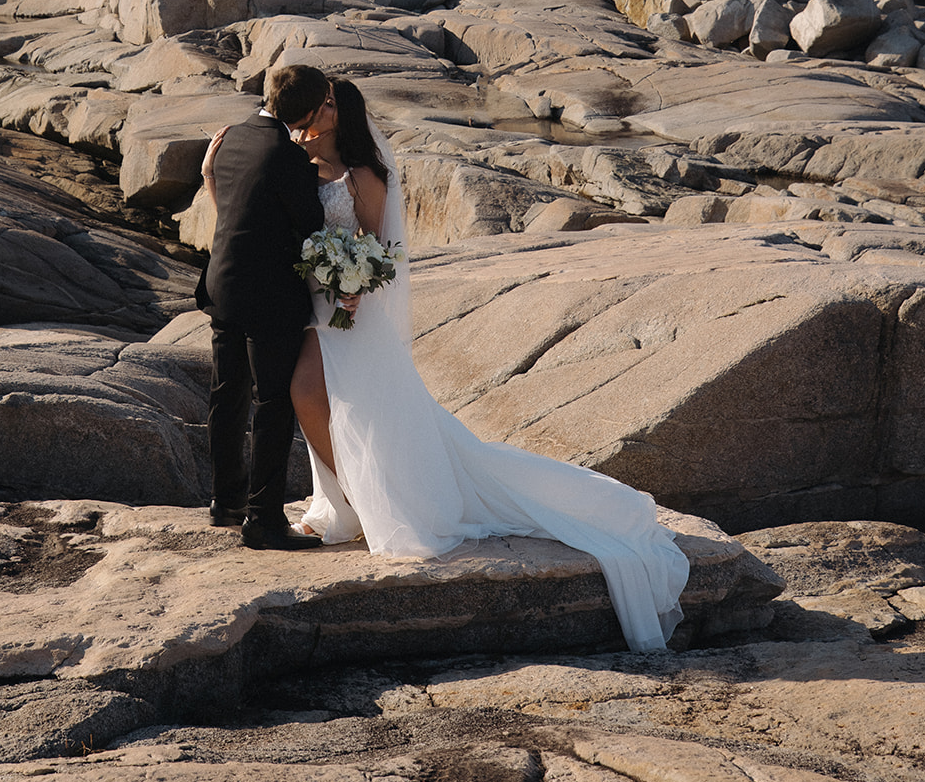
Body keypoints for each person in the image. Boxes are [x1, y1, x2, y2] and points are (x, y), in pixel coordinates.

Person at [285, 77, 691, 653]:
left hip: (352, 309)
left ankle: (358, 502)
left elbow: (380, 249)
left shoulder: (363, 176)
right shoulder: (295, 158)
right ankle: (340, 499)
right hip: (315, 303)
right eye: (315, 103)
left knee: (355, 403)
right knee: (312, 395)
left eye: (327, 103)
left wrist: (355, 284)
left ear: (340, 114)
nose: (315, 111)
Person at [196, 62, 331, 551]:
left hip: (223, 285)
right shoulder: (288, 158)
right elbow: (312, 221)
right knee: (272, 403)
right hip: (269, 297)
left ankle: (224, 500)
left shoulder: (231, 137)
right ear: (312, 112)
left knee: (226, 394)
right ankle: (264, 520)